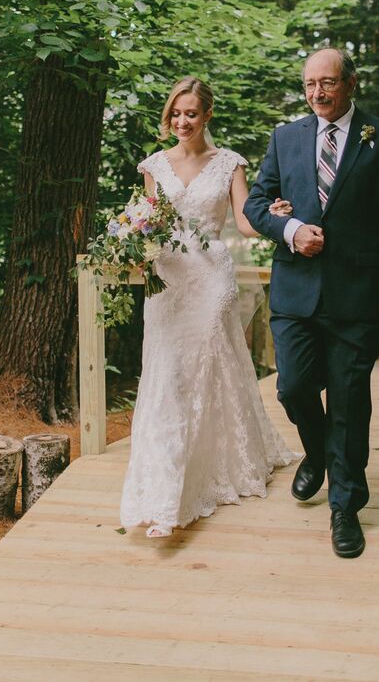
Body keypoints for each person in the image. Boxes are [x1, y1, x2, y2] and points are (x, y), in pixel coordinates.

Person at [244, 48, 379, 559]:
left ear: (351, 84)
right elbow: (257, 204)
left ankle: (345, 505)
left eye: (327, 83)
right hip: (296, 291)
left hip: (358, 294)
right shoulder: (285, 137)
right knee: (294, 387)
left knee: (347, 401)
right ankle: (316, 454)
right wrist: (291, 229)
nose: (317, 93)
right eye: (309, 85)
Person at [120, 77, 297, 538]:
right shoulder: (154, 165)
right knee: (168, 374)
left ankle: (200, 478)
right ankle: (165, 485)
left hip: (212, 276)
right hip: (168, 276)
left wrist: (273, 216)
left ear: (207, 115)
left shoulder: (229, 164)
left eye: (191, 114)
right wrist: (128, 241)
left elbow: (243, 221)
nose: (182, 121)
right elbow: (149, 220)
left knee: (202, 366)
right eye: (176, 113)